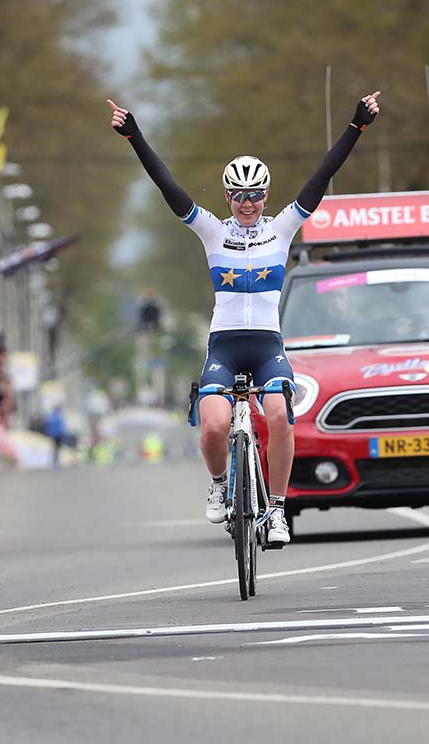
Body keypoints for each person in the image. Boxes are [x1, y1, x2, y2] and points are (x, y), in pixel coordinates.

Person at [108, 89, 382, 545]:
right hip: (225, 347)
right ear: (228, 196)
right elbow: (167, 186)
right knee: (215, 424)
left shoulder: (283, 228)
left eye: (255, 195)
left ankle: (277, 509)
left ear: (266, 195)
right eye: (239, 195)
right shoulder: (212, 231)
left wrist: (357, 126)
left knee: (279, 416)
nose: (247, 203)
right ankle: (219, 483)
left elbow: (324, 174)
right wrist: (135, 136)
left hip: (267, 346)